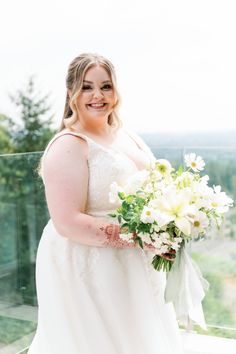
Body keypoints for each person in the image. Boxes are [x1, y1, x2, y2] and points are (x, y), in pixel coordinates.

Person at [27, 53, 184, 354]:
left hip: (136, 261)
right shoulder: (69, 145)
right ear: (71, 92)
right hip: (91, 264)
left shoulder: (128, 136)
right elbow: (67, 222)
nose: (97, 96)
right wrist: (140, 238)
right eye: (87, 87)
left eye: (106, 86)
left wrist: (169, 223)